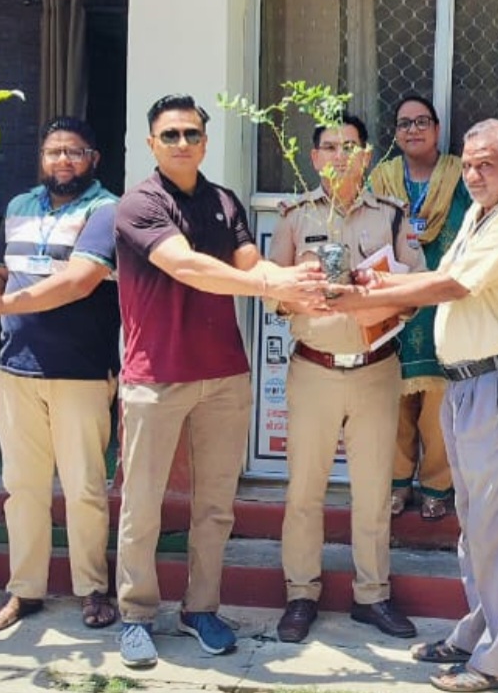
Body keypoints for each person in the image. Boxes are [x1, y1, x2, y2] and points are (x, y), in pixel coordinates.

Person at [332, 119, 498, 693]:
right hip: (468, 384)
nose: (473, 175)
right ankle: (478, 633)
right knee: (475, 524)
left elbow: (452, 287)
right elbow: (443, 273)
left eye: (486, 165)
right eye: (469, 164)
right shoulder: (483, 211)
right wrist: (377, 287)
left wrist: (363, 296)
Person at [113, 94, 325, 669]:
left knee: (215, 507)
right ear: (152, 143)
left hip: (225, 374)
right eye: (170, 134)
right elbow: (186, 266)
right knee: (143, 504)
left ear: (206, 143)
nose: (182, 143)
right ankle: (136, 614)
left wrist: (302, 279)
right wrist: (271, 286)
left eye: (192, 134)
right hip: (156, 375)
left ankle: (201, 607)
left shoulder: (224, 201)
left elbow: (249, 265)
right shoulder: (139, 204)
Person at [0, 116, 121, 632]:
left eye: (74, 152)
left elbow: (78, 282)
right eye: (53, 152)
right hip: (16, 366)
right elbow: (2, 276)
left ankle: (92, 588)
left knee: (84, 488)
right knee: (22, 488)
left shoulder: (107, 209)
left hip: (81, 370)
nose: (63, 160)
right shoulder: (19, 206)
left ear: (93, 159)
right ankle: (24, 590)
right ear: (41, 159)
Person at [270, 113, 424, 645]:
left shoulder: (392, 216)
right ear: (314, 158)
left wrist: (380, 298)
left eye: (351, 146)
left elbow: (416, 285)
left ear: (367, 156)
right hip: (314, 367)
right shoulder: (295, 216)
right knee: (304, 490)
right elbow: (272, 289)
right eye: (330, 147)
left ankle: (372, 594)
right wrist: (303, 291)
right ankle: (300, 594)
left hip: (375, 370)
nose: (340, 156)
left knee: (374, 491)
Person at [371, 94, 469, 522]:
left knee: (437, 405)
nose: (413, 130)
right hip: (394, 301)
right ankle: (396, 484)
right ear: (395, 133)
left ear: (437, 129)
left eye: (421, 121)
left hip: (442, 302)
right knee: (392, 401)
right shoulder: (382, 179)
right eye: (404, 123)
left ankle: (436, 485)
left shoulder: (459, 175)